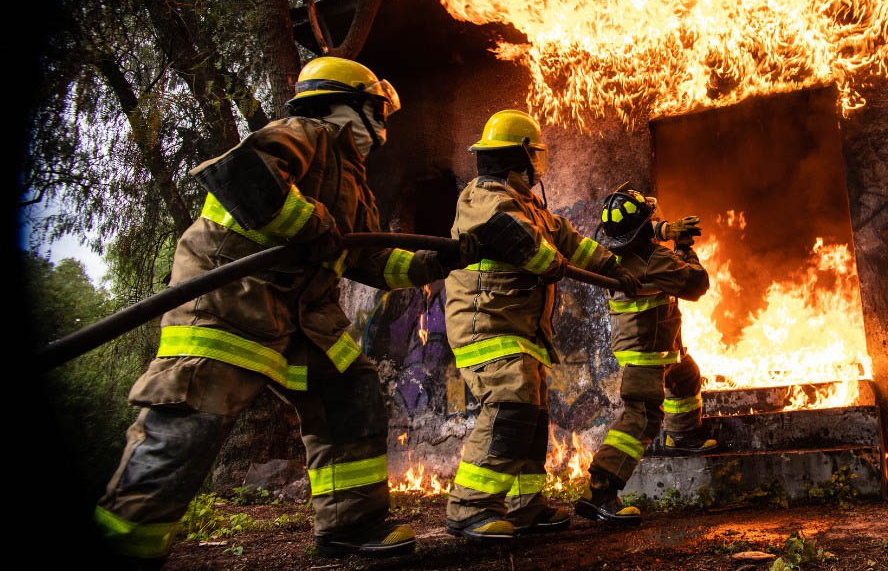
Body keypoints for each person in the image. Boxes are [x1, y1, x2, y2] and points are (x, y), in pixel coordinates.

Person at [94, 57, 470, 563]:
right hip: (235, 300)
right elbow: (247, 177)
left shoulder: (352, 178)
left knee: (349, 398)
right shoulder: (301, 132)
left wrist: (439, 259)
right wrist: (309, 220)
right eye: (377, 109)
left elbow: (369, 259)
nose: (382, 124)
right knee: (192, 421)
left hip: (304, 316)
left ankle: (350, 525)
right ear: (350, 104)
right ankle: (124, 541)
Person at [443, 109, 640, 541]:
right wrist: (546, 260)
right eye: (535, 156)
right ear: (521, 156)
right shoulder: (484, 196)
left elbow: (567, 240)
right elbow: (513, 237)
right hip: (487, 327)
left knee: (532, 416)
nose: (538, 166)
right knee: (511, 407)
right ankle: (470, 507)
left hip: (521, 330)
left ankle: (524, 507)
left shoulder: (530, 206)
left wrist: (613, 266)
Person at [575, 188, 717, 526]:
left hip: (654, 346)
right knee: (640, 419)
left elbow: (634, 233)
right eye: (650, 223)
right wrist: (684, 247)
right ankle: (601, 492)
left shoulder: (612, 254)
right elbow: (697, 284)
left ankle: (681, 434)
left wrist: (666, 230)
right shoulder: (657, 261)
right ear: (641, 230)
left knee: (685, 376)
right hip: (646, 353)